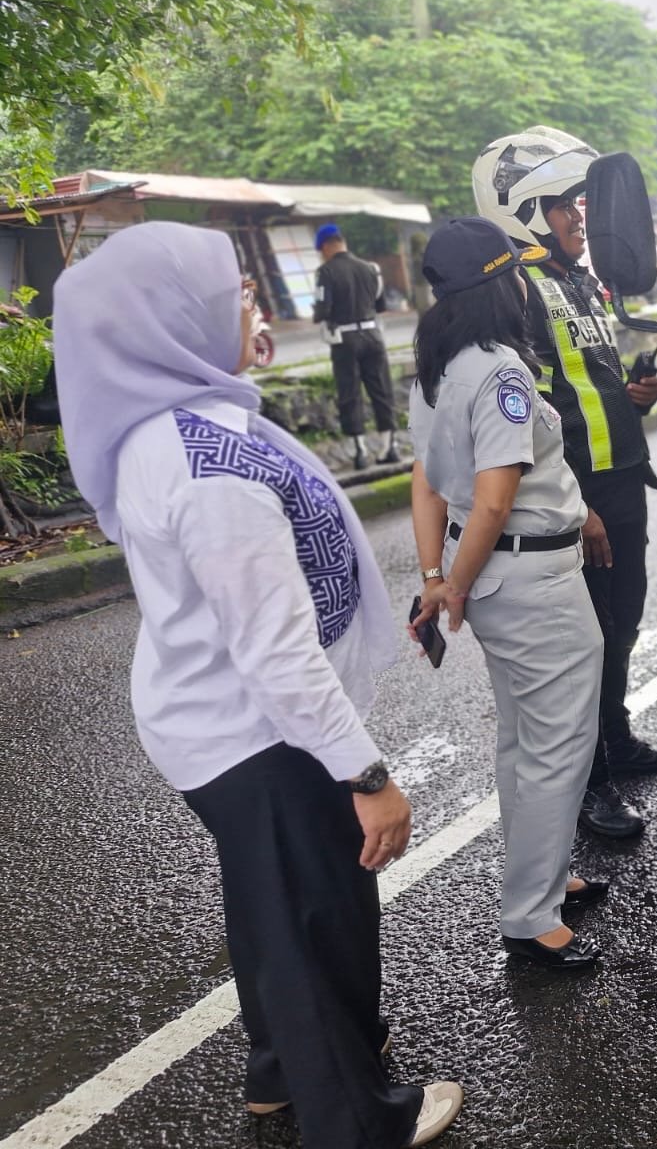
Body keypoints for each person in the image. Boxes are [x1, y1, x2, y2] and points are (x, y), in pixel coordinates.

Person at [52, 222, 463, 1148]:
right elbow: (275, 656)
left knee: (275, 908)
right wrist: (368, 777)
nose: (251, 303)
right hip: (257, 735)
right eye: (233, 291)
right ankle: (360, 1121)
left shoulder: (176, 425)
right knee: (321, 927)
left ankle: (277, 1078)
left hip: (223, 722)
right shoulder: (206, 469)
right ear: (169, 319)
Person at [473, 125, 657, 840]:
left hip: (623, 481)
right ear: (527, 211)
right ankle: (589, 784)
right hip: (578, 496)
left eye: (580, 203)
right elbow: (530, 415)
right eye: (565, 204)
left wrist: (634, 394)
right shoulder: (518, 289)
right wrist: (578, 506)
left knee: (621, 627)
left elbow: (584, 387)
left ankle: (616, 742)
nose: (580, 216)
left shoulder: (579, 282)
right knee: (584, 645)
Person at [407, 217, 607, 969]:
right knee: (557, 745)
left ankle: (543, 879)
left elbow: (427, 482)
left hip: (489, 572)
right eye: (518, 270)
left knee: (522, 737)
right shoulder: (499, 370)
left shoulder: (436, 362)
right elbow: (493, 498)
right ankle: (531, 917)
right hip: (530, 578)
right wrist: (450, 588)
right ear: (502, 283)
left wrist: (438, 577)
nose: (528, 280)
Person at [314, 224, 399, 470]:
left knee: (349, 393)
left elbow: (323, 309)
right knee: (382, 389)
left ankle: (359, 451)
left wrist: (318, 314)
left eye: (321, 250)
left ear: (327, 246)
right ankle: (389, 446)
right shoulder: (371, 268)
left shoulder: (325, 272)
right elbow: (381, 305)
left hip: (345, 339)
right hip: (373, 335)